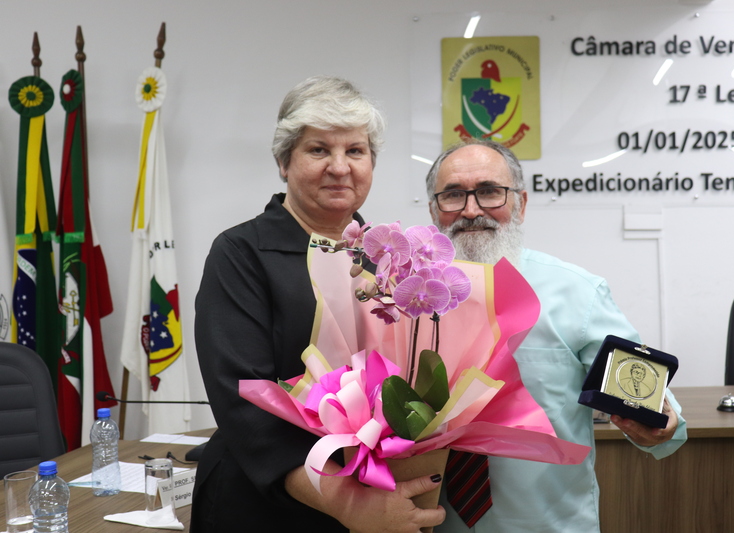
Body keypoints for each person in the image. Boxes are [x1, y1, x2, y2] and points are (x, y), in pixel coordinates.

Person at [192, 76, 445, 533]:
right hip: (269, 506)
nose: (340, 167)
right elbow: (243, 402)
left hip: (380, 495)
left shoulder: (392, 259)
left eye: (355, 150)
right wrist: (349, 504)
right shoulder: (241, 254)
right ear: (283, 162)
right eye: (318, 150)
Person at [425, 140, 687, 533]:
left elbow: (647, 396)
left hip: (550, 525)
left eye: (490, 191)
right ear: (434, 210)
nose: (471, 209)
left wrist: (661, 424)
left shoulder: (578, 293)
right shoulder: (403, 301)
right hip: (435, 525)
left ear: (521, 204)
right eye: (453, 195)